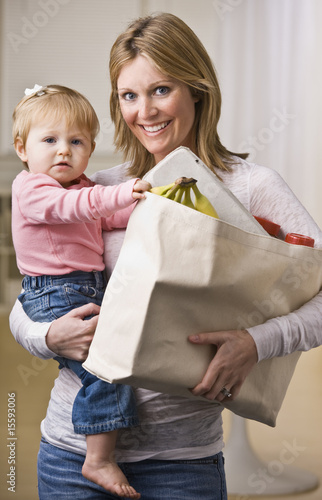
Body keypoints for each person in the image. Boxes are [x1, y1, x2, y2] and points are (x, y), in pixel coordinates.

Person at [9, 13, 322, 500]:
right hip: (70, 456)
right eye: (128, 96)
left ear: (196, 89)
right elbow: (34, 291)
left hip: (183, 466)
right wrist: (47, 335)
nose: (145, 112)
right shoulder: (103, 188)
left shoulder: (252, 187)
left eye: (161, 90)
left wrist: (257, 342)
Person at [11, 84, 151, 499]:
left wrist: (144, 205)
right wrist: (122, 192)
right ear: (22, 148)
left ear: (90, 149)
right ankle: (97, 457)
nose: (63, 151)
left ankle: (100, 452)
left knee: (108, 359)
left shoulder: (81, 188)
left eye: (76, 142)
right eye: (49, 140)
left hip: (83, 288)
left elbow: (108, 217)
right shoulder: (33, 189)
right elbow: (80, 208)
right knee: (105, 365)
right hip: (54, 293)